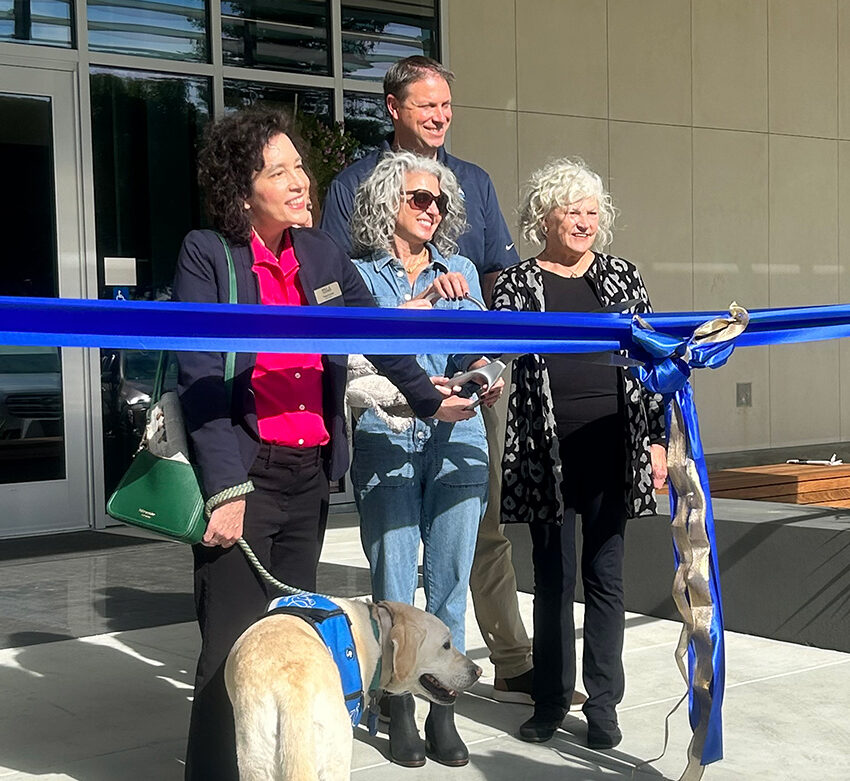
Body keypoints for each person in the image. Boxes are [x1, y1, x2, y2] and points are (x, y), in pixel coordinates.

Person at [172, 109, 474, 781]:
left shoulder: (321, 254)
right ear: (241, 188)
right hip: (243, 478)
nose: (301, 181)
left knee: (291, 644)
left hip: (308, 476)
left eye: (300, 166)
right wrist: (224, 491)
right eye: (278, 171)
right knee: (230, 653)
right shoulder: (208, 253)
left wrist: (430, 398)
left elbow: (376, 332)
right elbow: (197, 373)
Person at [321, 54, 536, 705]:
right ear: (394, 108)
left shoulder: (471, 190)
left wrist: (487, 363)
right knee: (394, 561)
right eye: (427, 105)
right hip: (388, 411)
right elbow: (331, 297)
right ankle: (394, 693)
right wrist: (406, 316)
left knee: (471, 542)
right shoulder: (353, 194)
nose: (434, 209)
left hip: (461, 402)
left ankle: (483, 671)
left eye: (447, 105)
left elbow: (493, 284)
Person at [493, 158, 668, 749]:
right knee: (551, 577)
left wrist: (657, 440)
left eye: (592, 212)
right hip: (545, 450)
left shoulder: (623, 276)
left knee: (605, 576)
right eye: (572, 211)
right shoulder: (518, 282)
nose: (584, 222)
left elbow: (654, 364)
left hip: (611, 445)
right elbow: (491, 347)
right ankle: (548, 700)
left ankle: (603, 704)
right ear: (545, 216)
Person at [347, 150, 502, 768]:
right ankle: (399, 706)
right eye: (420, 198)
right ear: (389, 202)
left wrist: (483, 378)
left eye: (439, 201)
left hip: (459, 439)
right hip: (387, 437)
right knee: (392, 585)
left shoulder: (461, 269)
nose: (433, 209)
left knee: (449, 584)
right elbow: (353, 356)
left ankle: (443, 710)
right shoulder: (358, 277)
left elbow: (486, 352)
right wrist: (411, 313)